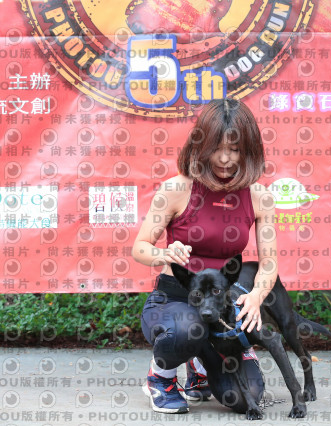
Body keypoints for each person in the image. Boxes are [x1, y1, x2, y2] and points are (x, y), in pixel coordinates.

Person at [132, 98, 278, 414]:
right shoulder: (176, 189)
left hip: (222, 309)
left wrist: (255, 296)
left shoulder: (259, 196)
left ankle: (200, 367)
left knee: (245, 398)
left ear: (249, 150)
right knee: (188, 328)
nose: (225, 158)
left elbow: (269, 263)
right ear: (201, 146)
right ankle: (160, 377)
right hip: (174, 302)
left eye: (235, 149)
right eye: (217, 148)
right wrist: (164, 253)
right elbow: (140, 247)